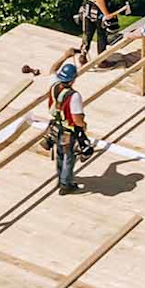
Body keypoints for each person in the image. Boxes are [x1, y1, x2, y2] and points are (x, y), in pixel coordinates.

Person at [45, 48, 87, 194]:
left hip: (54, 128)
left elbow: (52, 69)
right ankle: (66, 184)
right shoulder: (74, 96)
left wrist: (65, 56)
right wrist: (83, 126)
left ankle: (60, 178)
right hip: (68, 130)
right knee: (69, 158)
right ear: (73, 79)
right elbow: (77, 118)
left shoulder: (54, 85)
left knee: (60, 155)